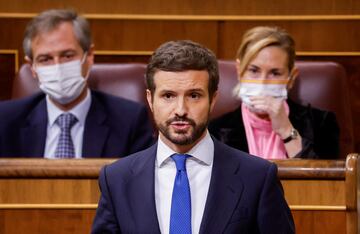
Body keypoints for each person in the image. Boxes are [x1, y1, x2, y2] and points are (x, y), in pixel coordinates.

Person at [91, 40, 295, 233]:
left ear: (213, 99)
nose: (180, 110)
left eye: (194, 96)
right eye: (168, 96)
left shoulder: (258, 177)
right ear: (150, 99)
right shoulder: (116, 179)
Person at [0, 9, 153, 158]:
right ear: (32, 66)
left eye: (67, 56)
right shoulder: (6, 120)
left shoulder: (129, 120)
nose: (57, 67)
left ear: (89, 56)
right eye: (45, 59)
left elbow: (138, 181)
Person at [209, 26, 339, 159]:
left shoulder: (322, 124)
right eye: (254, 71)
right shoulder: (213, 131)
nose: (263, 83)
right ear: (239, 71)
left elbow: (325, 178)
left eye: (275, 73)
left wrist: (286, 130)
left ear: (291, 77)